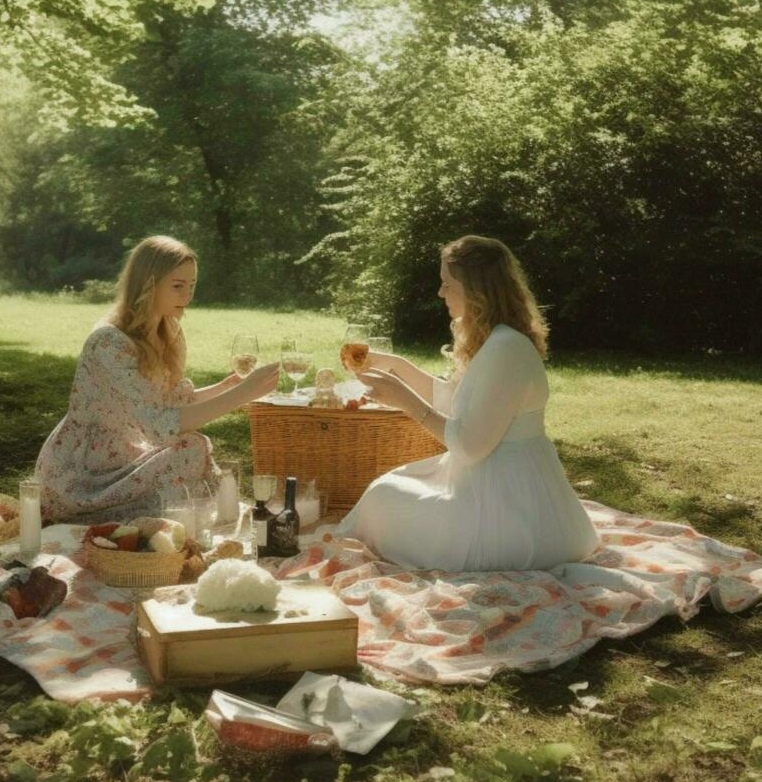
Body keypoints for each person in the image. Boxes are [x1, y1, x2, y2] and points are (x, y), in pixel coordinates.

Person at [336, 235, 600, 571]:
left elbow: (469, 446)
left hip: (505, 510)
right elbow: (453, 399)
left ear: (475, 290)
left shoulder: (506, 349)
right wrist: (395, 365)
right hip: (496, 483)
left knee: (382, 498)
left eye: (447, 284)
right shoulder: (497, 340)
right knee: (386, 489)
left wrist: (406, 402)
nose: (440, 293)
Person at [34, 235, 280, 524]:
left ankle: (174, 518)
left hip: (127, 452)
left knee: (192, 447)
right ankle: (132, 518)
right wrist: (242, 394)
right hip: (83, 471)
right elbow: (158, 424)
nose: (187, 296)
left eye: (192, 286)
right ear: (148, 283)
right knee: (189, 449)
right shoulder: (108, 342)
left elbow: (171, 401)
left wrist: (226, 387)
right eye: (177, 286)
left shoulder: (167, 329)